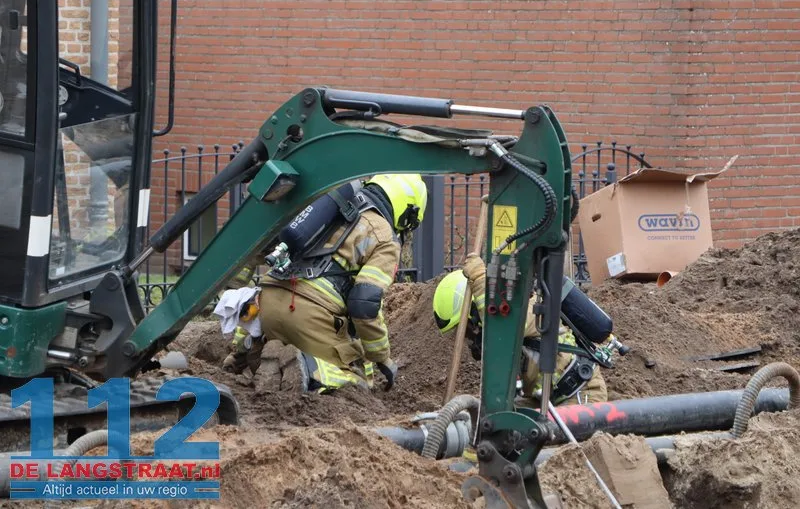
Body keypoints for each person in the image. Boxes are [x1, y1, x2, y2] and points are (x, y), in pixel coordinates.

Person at [217, 173, 428, 393]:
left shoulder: (327, 208)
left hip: (266, 304)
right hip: (311, 317)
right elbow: (364, 304)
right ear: (407, 215)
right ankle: (311, 371)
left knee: (268, 331)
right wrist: (381, 357)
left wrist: (234, 299)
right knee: (357, 384)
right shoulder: (385, 238)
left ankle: (253, 356)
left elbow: (255, 249)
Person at [432, 253, 609, 407]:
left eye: (464, 330)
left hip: (581, 395)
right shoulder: (497, 330)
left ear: (474, 313)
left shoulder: (527, 308)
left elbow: (508, 328)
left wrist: (479, 281)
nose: (466, 338)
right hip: (546, 399)